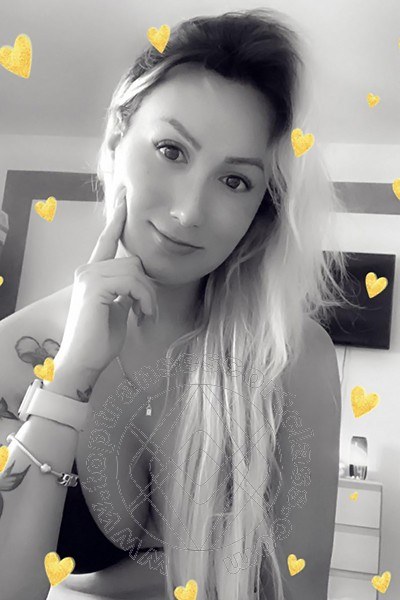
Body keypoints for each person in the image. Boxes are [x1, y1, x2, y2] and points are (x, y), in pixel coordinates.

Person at [0, 7, 353, 600]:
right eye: (171, 150)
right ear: (116, 140)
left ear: (260, 209)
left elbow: (298, 587)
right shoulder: (14, 356)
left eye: (234, 181)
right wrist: (69, 381)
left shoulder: (292, 359)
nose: (189, 211)